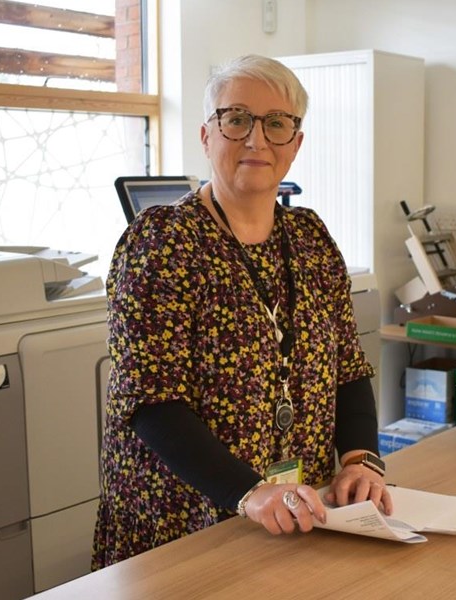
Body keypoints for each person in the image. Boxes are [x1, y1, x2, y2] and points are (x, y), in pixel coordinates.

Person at [91, 54, 392, 570]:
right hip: (186, 522)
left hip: (295, 514)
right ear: (208, 136)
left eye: (277, 123)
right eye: (237, 119)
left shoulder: (311, 238)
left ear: (296, 145)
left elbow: (349, 368)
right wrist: (248, 492)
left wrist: (360, 459)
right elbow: (151, 402)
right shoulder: (163, 242)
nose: (257, 140)